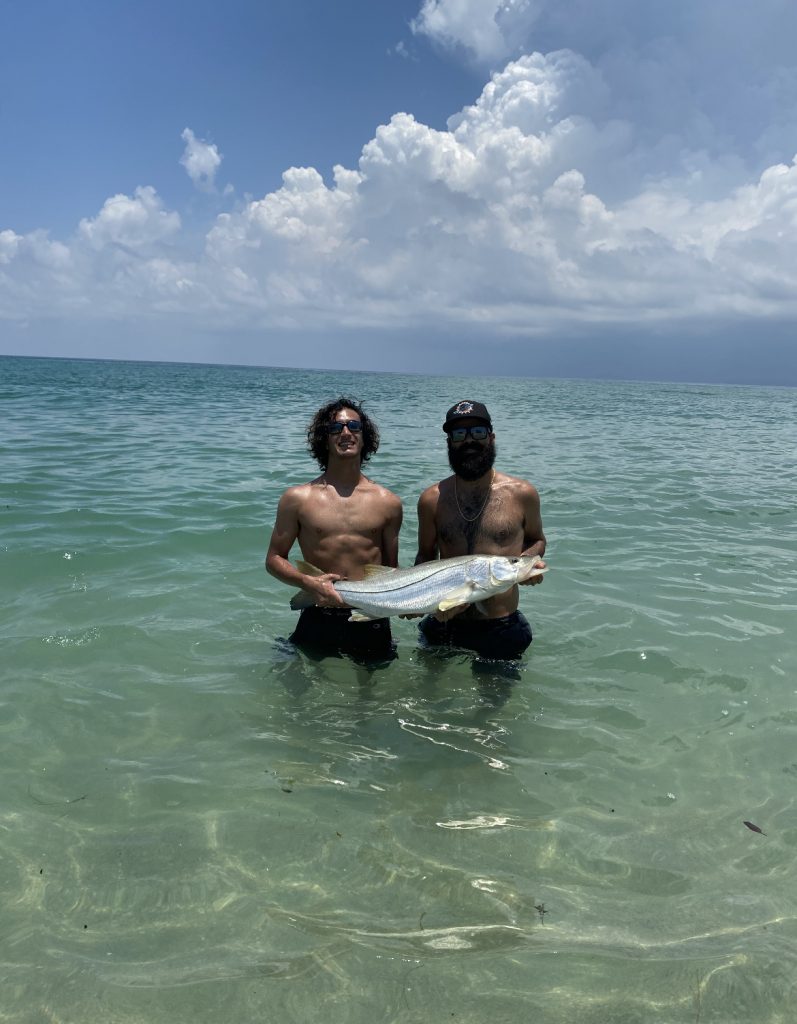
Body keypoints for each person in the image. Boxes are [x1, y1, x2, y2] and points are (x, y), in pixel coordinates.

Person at [266, 396, 403, 662]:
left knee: (374, 699)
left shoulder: (389, 502)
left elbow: (391, 571)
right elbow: (273, 559)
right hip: (319, 613)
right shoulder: (298, 498)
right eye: (335, 428)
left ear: (365, 437)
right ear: (324, 439)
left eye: (354, 426)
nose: (346, 433)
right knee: (302, 698)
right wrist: (308, 582)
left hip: (370, 616)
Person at [414, 400, 546, 660]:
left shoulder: (523, 494)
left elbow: (537, 539)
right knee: (429, 697)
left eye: (477, 432)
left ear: (491, 437)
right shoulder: (431, 500)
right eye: (459, 434)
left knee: (493, 700)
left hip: (501, 625)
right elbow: (425, 556)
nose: (468, 441)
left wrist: (530, 563)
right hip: (444, 622)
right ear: (449, 442)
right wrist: (425, 601)